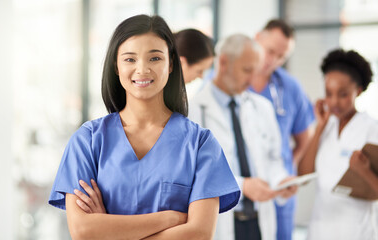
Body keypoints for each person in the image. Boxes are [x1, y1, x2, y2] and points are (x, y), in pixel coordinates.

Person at [48, 14, 241, 240]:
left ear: (170, 64)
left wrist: (110, 229)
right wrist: (170, 218)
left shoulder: (200, 143)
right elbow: (83, 231)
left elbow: (198, 233)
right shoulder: (88, 141)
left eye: (155, 59)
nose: (142, 69)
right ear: (116, 66)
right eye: (130, 59)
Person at [189, 33, 297, 240]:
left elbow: (273, 160)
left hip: (259, 223)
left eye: (254, 72)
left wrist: (281, 181)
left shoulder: (262, 108)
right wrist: (242, 186)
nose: (251, 80)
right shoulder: (192, 111)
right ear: (223, 62)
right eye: (246, 70)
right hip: (221, 222)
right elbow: (194, 173)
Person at [298, 49, 378, 240]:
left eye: (342, 94)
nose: (334, 101)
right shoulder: (325, 126)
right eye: (328, 93)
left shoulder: (371, 129)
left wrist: (364, 170)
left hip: (357, 230)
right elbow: (303, 174)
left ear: (357, 91)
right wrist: (319, 127)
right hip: (320, 229)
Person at [249, 19, 315, 240]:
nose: (273, 60)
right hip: (243, 190)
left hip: (280, 190)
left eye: (281, 57)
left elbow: (304, 139)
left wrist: (289, 165)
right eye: (270, 51)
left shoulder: (290, 88)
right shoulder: (230, 82)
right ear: (257, 38)